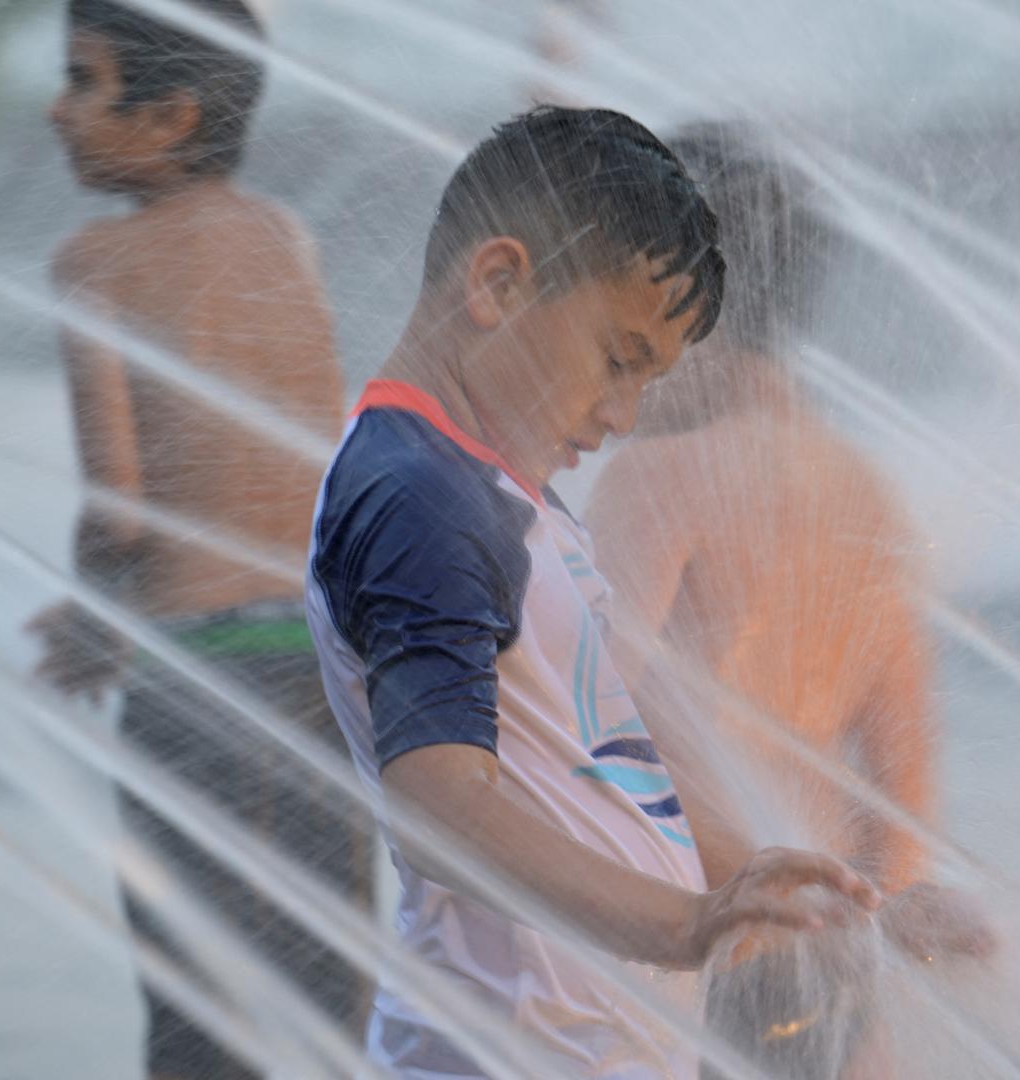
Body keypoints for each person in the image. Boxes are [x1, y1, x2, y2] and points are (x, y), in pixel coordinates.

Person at [305, 105, 881, 1078]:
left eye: (648, 382)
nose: (621, 416)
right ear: (496, 282)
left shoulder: (500, 495)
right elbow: (438, 806)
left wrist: (763, 887)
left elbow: (610, 766)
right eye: (618, 360)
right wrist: (687, 923)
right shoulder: (416, 499)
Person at [583, 126, 995, 1078]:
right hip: (825, 957)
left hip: (703, 937)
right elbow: (905, 757)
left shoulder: (660, 476)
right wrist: (889, 923)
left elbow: (585, 719)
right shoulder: (858, 484)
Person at [29, 2, 369, 1077]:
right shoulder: (289, 239)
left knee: (196, 1030)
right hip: (322, 686)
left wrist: (92, 620)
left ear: (170, 114)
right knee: (324, 1019)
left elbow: (121, 511)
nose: (55, 108)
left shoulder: (95, 263)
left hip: (195, 687)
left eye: (81, 80)